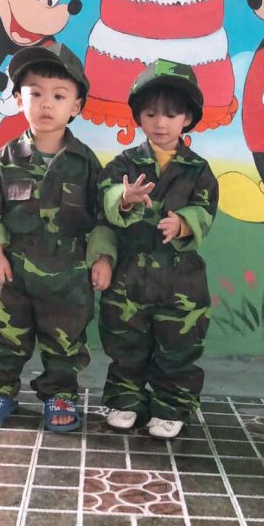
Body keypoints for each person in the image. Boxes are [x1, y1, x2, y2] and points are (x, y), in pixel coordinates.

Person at [0, 41, 115, 432]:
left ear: (76, 106)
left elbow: (102, 216)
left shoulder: (85, 163)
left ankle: (60, 393)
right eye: (36, 93)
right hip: (13, 271)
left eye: (59, 96)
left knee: (66, 340)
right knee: (3, 335)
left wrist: (102, 258)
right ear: (19, 99)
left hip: (69, 273)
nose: (46, 104)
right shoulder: (6, 158)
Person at [98, 59, 218, 440]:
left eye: (171, 114)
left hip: (181, 277)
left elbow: (206, 210)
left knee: (178, 345)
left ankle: (171, 406)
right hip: (129, 275)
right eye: (150, 113)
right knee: (125, 341)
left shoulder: (198, 169)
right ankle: (125, 399)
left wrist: (184, 223)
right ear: (139, 117)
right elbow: (105, 200)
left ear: (188, 118)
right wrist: (124, 198)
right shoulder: (125, 163)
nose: (160, 123)